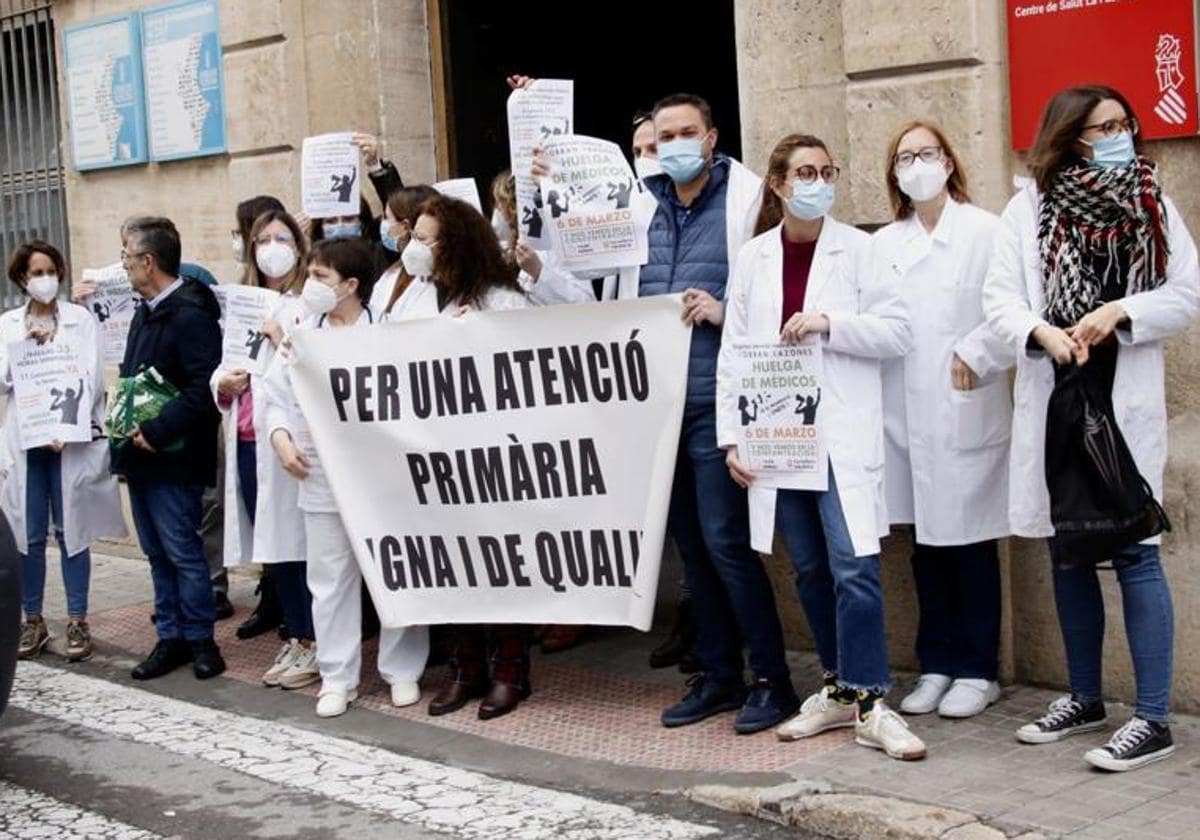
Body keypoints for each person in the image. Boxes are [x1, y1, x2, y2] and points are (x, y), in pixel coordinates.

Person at [984, 85, 1200, 772]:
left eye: (1123, 124)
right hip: (1060, 397)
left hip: (1120, 399)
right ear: (1070, 136)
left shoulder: (1151, 203)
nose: (1118, 135)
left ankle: (1154, 718)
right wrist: (1041, 331)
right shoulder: (1029, 208)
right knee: (1067, 551)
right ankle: (1085, 699)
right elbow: (999, 300)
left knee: (1136, 552)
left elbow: (1187, 295)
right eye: (1101, 127)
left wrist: (1120, 311)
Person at [717, 133, 924, 759]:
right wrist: (732, 439)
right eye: (805, 172)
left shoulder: (858, 251)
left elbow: (900, 331)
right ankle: (836, 690)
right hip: (779, 436)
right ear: (777, 184)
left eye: (827, 171)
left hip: (837, 436)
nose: (818, 182)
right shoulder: (753, 257)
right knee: (806, 568)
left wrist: (830, 324)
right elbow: (734, 353)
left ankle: (870, 700)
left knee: (853, 568)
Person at [635, 92, 797, 736]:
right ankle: (718, 674)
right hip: (658, 403)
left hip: (713, 403)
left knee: (728, 544)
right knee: (691, 550)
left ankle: (772, 681)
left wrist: (726, 312)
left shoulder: (749, 198)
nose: (674, 144)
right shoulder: (639, 203)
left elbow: (775, 288)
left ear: (711, 137)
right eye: (663, 134)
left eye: (686, 132)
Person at [872, 121, 1013, 719]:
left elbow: (1011, 309)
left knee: (972, 545)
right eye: (905, 157)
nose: (917, 165)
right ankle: (936, 663)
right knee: (923, 547)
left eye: (927, 152)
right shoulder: (886, 243)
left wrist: (977, 351)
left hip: (965, 406)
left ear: (949, 162)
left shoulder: (985, 231)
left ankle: (980, 669)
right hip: (906, 414)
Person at [263, 236, 429, 718]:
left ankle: (403, 670)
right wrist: (280, 439)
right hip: (320, 471)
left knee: (397, 571)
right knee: (331, 579)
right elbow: (277, 394)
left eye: (321, 277)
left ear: (351, 285)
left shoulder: (388, 331)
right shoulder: (301, 333)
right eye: (310, 275)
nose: (311, 285)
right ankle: (338, 676)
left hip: (384, 477)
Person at [394, 195, 533, 719]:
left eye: (427, 239)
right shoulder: (414, 298)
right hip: (432, 459)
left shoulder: (503, 300)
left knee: (498, 568)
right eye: (415, 238)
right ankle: (464, 667)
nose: (416, 248)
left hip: (491, 459)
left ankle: (510, 671)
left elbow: (526, 379)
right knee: (449, 568)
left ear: (456, 244)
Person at [114, 217, 226, 681]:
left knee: (182, 551)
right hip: (140, 457)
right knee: (157, 552)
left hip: (173, 457)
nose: (122, 265)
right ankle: (171, 636)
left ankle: (202, 642)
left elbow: (205, 388)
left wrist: (157, 430)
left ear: (149, 261)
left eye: (126, 256)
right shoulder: (145, 310)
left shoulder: (190, 313)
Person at [3, 241, 126, 662]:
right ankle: (32, 619)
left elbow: (92, 380)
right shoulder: (7, 325)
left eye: (50, 270)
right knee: (29, 534)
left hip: (67, 439)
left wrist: (65, 427)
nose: (44, 279)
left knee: (72, 533)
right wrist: (27, 344)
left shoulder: (80, 320)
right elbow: (3, 381)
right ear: (22, 279)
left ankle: (77, 619)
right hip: (27, 442)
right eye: (35, 273)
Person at [211, 209, 315, 689]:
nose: (271, 247)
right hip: (250, 438)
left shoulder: (308, 299)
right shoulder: (243, 303)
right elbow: (224, 365)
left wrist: (284, 338)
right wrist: (224, 382)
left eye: (281, 237)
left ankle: (315, 639)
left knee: (303, 547)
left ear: (298, 242)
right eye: (262, 240)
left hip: (293, 441)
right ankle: (295, 635)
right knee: (275, 549)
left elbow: (319, 362)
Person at [371, 184, 439, 320]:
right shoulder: (392, 273)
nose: (383, 224)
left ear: (405, 226)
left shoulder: (440, 279)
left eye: (387, 218)